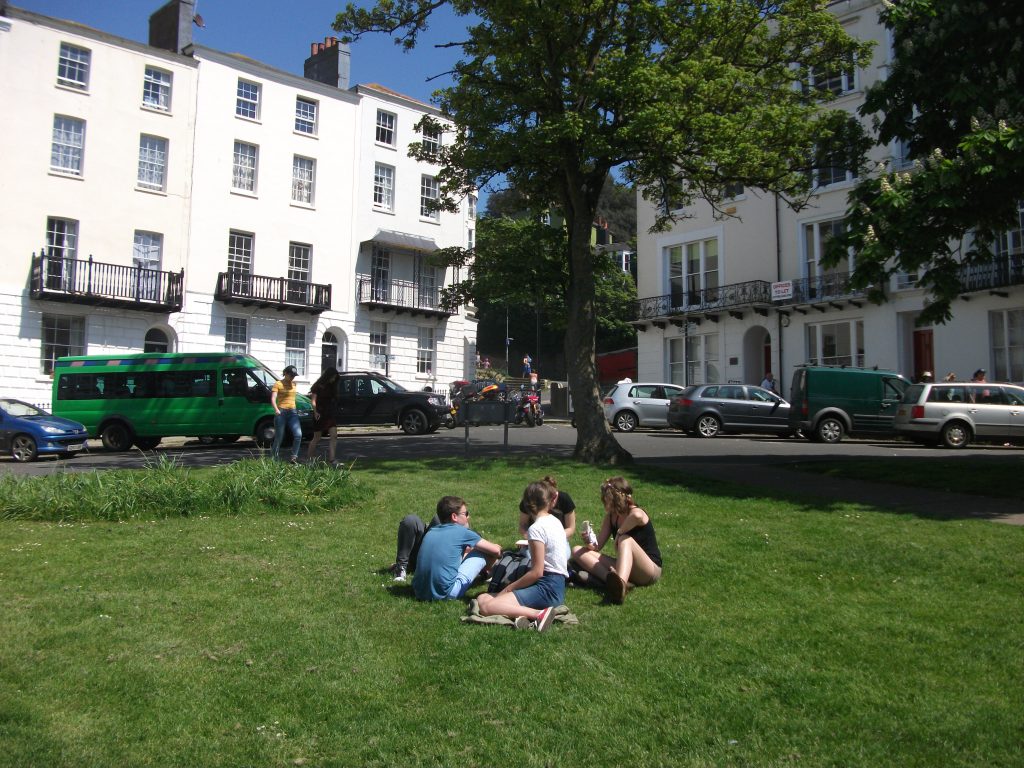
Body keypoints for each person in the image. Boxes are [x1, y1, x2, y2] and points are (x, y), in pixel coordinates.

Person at [477, 481, 566, 631]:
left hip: (547, 587)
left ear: (526, 504)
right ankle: (522, 617)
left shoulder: (536, 529)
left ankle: (539, 614)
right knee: (482, 598)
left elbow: (537, 572)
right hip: (557, 585)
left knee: (487, 607)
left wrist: (509, 589)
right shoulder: (555, 521)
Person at [571, 476, 662, 605]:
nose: (604, 502)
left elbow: (637, 516)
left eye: (607, 499)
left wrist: (620, 533)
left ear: (617, 499)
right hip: (626, 568)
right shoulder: (611, 518)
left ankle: (620, 586)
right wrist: (589, 543)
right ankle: (613, 582)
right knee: (577, 550)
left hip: (649, 570)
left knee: (626, 540)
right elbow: (597, 547)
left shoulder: (635, 511)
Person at [412, 496, 502, 601]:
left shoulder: (431, 532)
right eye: (465, 514)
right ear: (454, 516)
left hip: (418, 591)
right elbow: (496, 551)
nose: (468, 517)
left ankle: (486, 575)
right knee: (482, 553)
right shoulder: (462, 532)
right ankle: (495, 576)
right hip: (446, 594)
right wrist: (497, 546)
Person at [518, 475, 575, 561]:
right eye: (552, 498)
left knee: (563, 557)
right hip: (536, 538)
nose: (554, 500)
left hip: (559, 539)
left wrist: (553, 537)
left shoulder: (565, 499)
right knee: (532, 558)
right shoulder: (530, 501)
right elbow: (522, 524)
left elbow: (571, 527)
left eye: (555, 496)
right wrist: (529, 536)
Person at [389, 511, 441, 582]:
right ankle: (401, 568)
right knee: (410, 520)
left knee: (439, 520)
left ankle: (424, 567)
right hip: (419, 554)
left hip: (435, 562)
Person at [306, 367, 339, 462]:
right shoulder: (317, 386)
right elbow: (313, 401)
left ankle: (332, 459)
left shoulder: (332, 386)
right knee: (317, 437)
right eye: (333, 377)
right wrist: (315, 411)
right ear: (328, 376)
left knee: (334, 435)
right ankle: (310, 459)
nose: (334, 379)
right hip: (320, 413)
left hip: (329, 414)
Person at [271, 365, 302, 463]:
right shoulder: (278, 384)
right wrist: (276, 409)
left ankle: (294, 457)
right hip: (281, 412)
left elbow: (293, 398)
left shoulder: (294, 384)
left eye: (294, 376)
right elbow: (273, 398)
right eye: (291, 375)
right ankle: (274, 458)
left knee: (298, 435)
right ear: (286, 374)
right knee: (279, 437)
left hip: (293, 412)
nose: (293, 377)